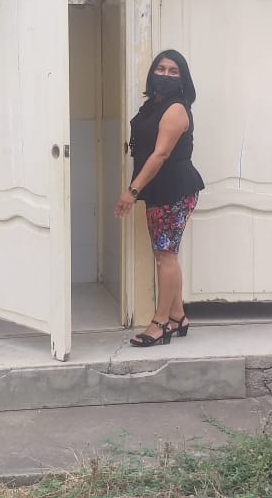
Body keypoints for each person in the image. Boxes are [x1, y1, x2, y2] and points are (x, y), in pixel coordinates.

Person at [115, 49, 206, 347]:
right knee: (165, 254)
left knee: (166, 256)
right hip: (158, 188)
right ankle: (178, 317)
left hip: (174, 188)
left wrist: (132, 191)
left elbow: (161, 154)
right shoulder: (153, 106)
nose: (165, 75)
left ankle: (160, 323)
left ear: (182, 78)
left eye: (173, 71)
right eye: (161, 69)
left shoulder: (176, 109)